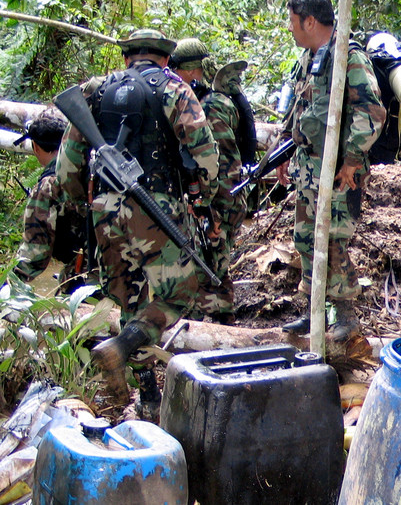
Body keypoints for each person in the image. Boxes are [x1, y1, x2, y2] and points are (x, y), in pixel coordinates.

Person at [56, 29, 219, 401]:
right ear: (164, 59)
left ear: (127, 57)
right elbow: (207, 156)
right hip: (155, 209)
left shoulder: (94, 92)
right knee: (178, 293)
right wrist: (200, 194)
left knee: (130, 301)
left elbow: (67, 169)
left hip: (105, 210)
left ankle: (141, 395)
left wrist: (88, 204)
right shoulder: (174, 89)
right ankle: (122, 348)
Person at [277, 0, 386, 342]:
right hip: (308, 167)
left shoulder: (348, 57)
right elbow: (298, 109)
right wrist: (284, 149)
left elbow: (372, 111)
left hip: (338, 171)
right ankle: (313, 313)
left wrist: (352, 160)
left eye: (294, 21)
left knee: (334, 242)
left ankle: (346, 317)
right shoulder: (309, 58)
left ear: (310, 20)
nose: (291, 28)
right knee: (306, 238)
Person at [170, 38, 247, 325]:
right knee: (215, 258)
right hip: (227, 194)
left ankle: (219, 329)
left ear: (190, 71)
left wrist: (203, 203)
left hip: (221, 196)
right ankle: (217, 321)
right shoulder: (213, 101)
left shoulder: (210, 106)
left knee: (212, 261)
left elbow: (215, 164)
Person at [13, 110, 93, 293]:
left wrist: (6, 283)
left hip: (84, 276)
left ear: (36, 147)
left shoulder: (47, 188)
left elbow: (34, 255)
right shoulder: (90, 168)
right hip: (122, 267)